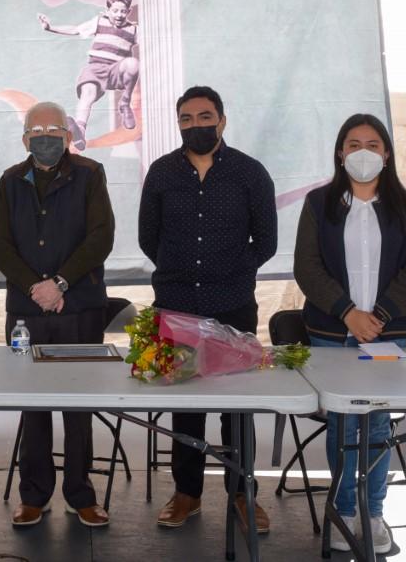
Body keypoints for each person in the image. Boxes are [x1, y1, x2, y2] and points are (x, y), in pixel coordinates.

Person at [138, 85, 277, 532]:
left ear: (221, 120)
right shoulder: (161, 173)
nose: (195, 125)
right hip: (176, 306)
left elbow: (267, 241)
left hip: (232, 306)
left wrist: (229, 270)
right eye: (186, 119)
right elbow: (148, 237)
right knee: (185, 407)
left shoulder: (249, 173)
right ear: (178, 124)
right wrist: (181, 270)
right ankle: (187, 493)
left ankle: (242, 494)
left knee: (237, 408)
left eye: (204, 117)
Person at [293, 113, 406, 554]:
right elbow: (307, 267)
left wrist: (381, 315)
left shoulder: (404, 205)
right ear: (340, 153)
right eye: (353, 144)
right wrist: (348, 313)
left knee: (376, 426)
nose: (363, 152)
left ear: (387, 154)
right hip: (333, 335)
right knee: (343, 425)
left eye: (373, 144)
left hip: (387, 337)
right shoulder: (319, 203)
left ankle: (373, 513)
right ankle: (343, 511)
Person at [0, 101, 116, 529]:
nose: (45, 137)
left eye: (53, 130)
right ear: (25, 138)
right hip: (27, 311)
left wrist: (60, 283)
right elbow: (0, 246)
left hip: (79, 307)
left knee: (78, 405)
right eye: (36, 131)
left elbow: (101, 237)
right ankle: (34, 495)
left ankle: (81, 494)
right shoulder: (10, 181)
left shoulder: (90, 174)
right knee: (33, 405)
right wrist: (36, 288)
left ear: (68, 135)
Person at [38, 0, 139, 149]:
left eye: (123, 11)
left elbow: (153, 40)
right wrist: (50, 27)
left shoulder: (134, 30)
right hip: (95, 67)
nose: (119, 15)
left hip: (116, 70)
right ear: (107, 11)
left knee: (133, 63)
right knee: (87, 95)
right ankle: (80, 132)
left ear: (128, 12)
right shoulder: (99, 22)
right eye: (115, 11)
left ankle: (125, 103)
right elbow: (75, 30)